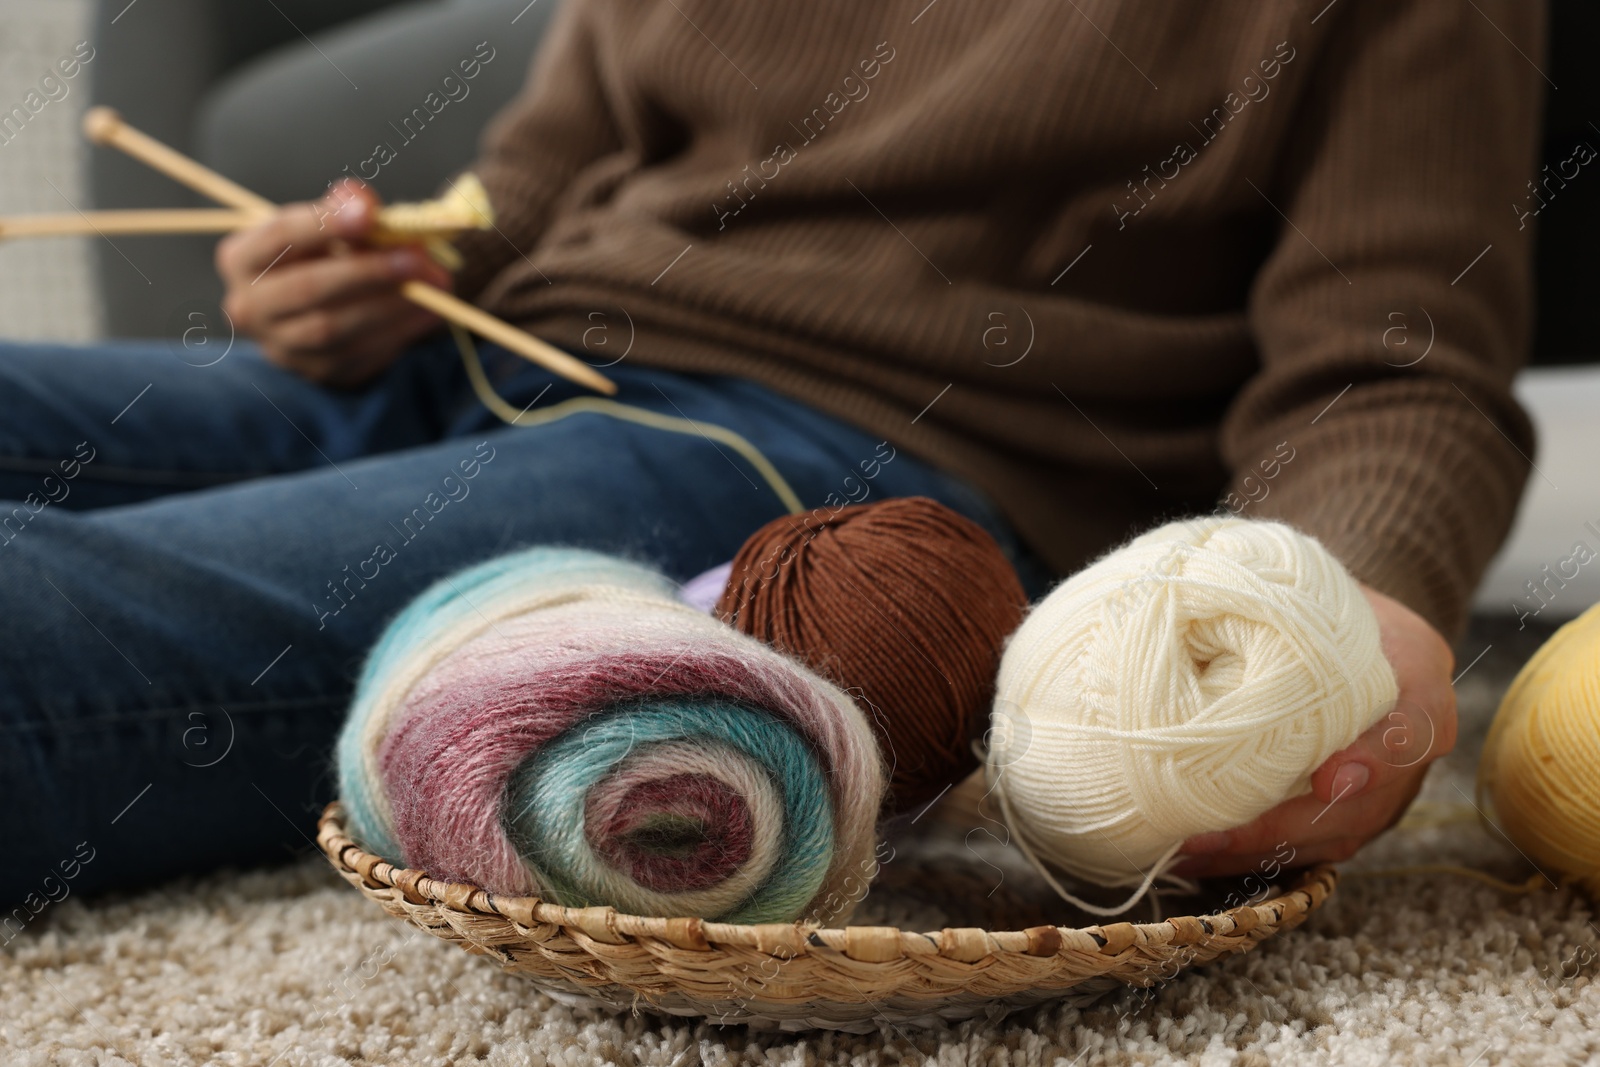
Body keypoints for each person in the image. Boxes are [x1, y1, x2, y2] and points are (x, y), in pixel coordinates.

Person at [0, 0, 1541, 909]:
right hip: (473, 354)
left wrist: (1368, 618)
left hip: (823, 475)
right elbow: (532, 189)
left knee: (58, 619)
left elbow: (1393, 365)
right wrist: (375, 266)